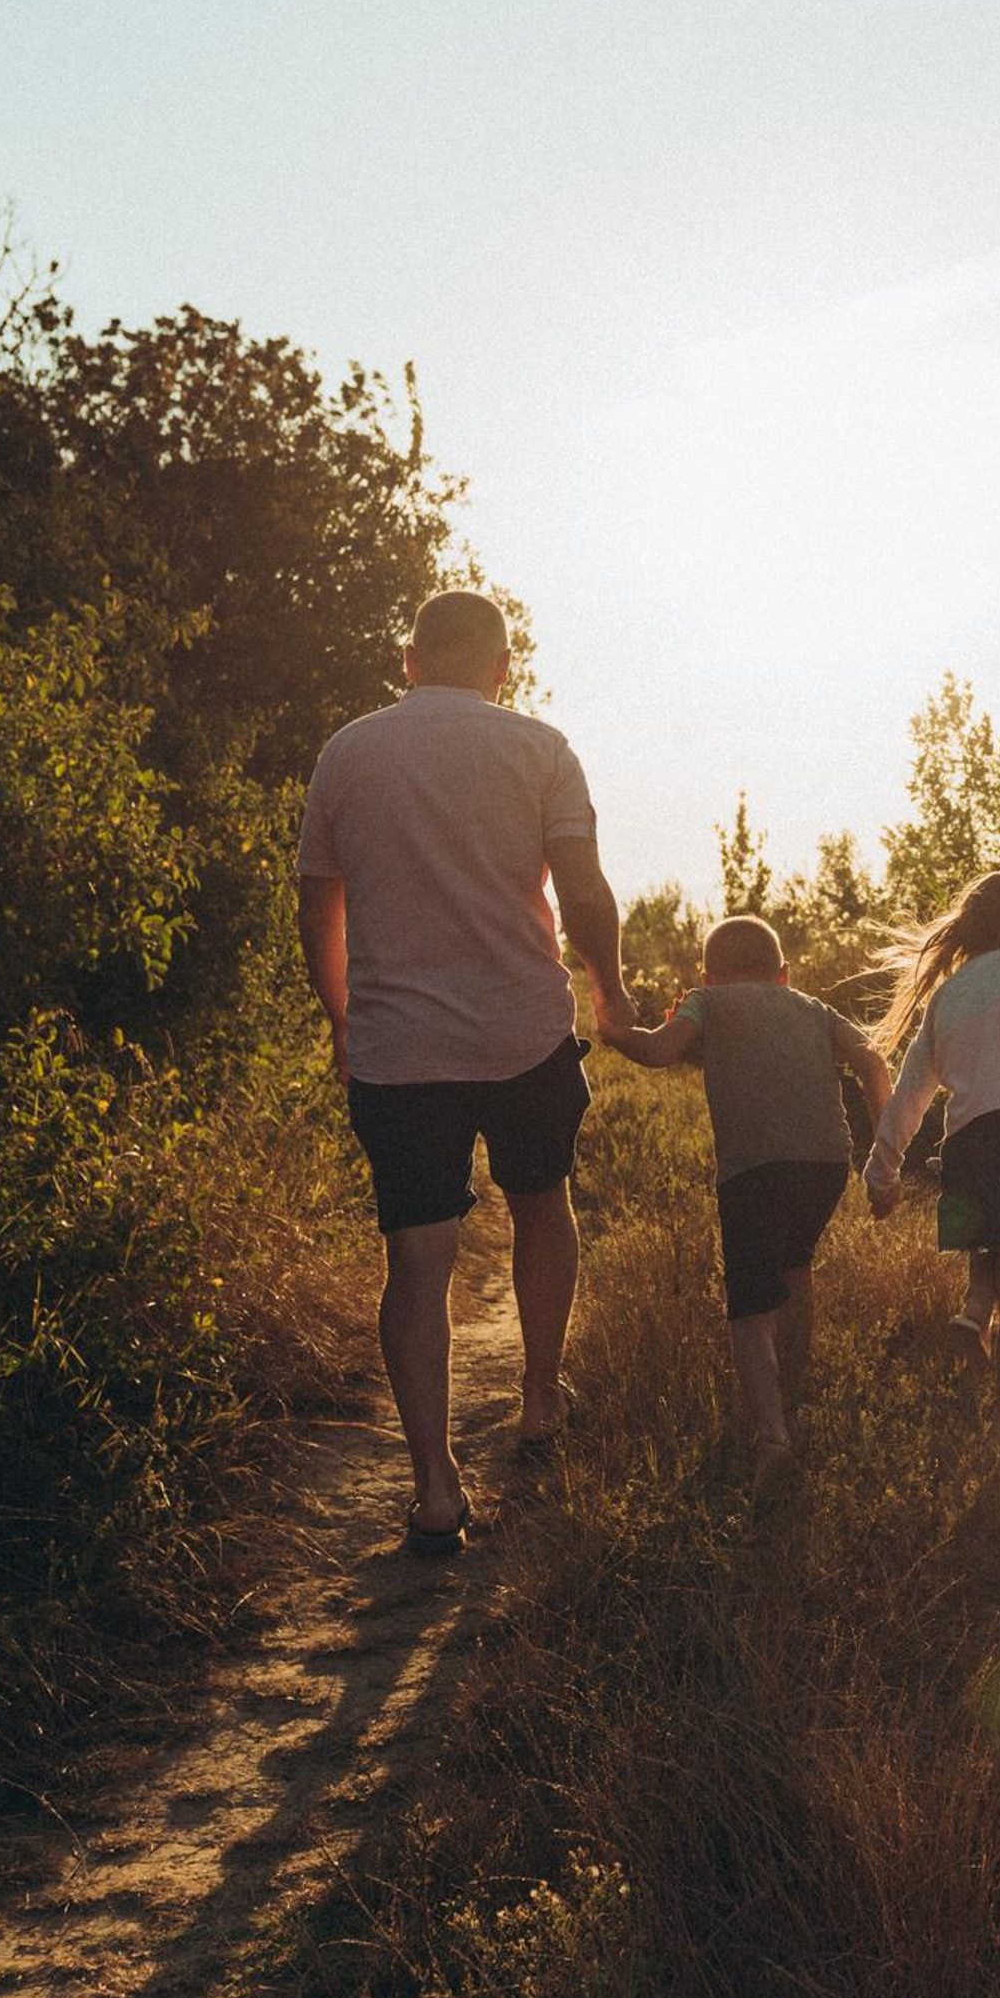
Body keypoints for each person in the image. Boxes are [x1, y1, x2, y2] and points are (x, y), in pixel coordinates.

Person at [295, 589, 633, 1555]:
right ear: (503, 665)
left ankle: (435, 1488)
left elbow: (318, 910)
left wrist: (343, 1021)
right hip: (525, 1033)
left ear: (409, 658)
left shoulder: (347, 752)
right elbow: (585, 891)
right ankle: (537, 1398)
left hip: (400, 1051)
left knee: (418, 1258)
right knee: (541, 1202)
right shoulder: (542, 748)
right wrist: (608, 992)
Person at [597, 914, 891, 1504]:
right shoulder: (811, 1007)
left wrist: (614, 1032)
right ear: (784, 973)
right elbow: (874, 1061)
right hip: (825, 1165)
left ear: (707, 974)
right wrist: (884, 1156)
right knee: (796, 1266)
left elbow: (660, 1052)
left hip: (753, 1169)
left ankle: (773, 1436)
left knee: (750, 1305)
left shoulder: (706, 1001)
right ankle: (795, 1391)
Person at [865, 872, 1000, 1465]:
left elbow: (909, 1095)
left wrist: (880, 1173)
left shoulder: (948, 993)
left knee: (986, 1244)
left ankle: (971, 1312)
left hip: (964, 1151)